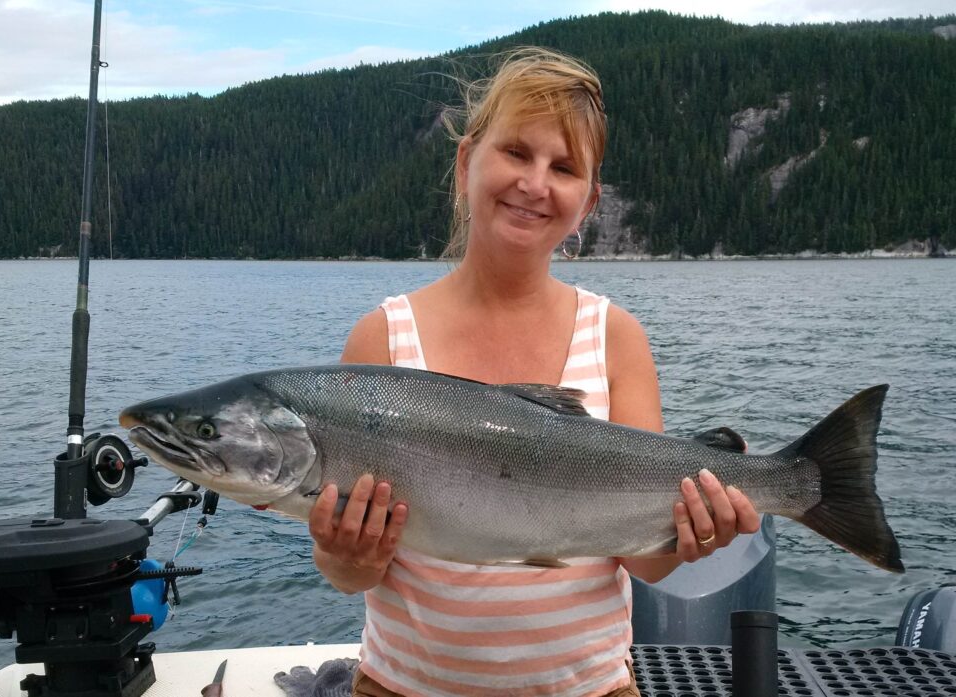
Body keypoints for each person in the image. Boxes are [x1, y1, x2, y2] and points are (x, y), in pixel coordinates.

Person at [307, 47, 761, 697]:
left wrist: (690, 535)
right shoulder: (381, 336)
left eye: (565, 167)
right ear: (468, 160)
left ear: (589, 200)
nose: (536, 182)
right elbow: (351, 573)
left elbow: (645, 559)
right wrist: (345, 555)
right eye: (517, 152)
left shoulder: (616, 338)